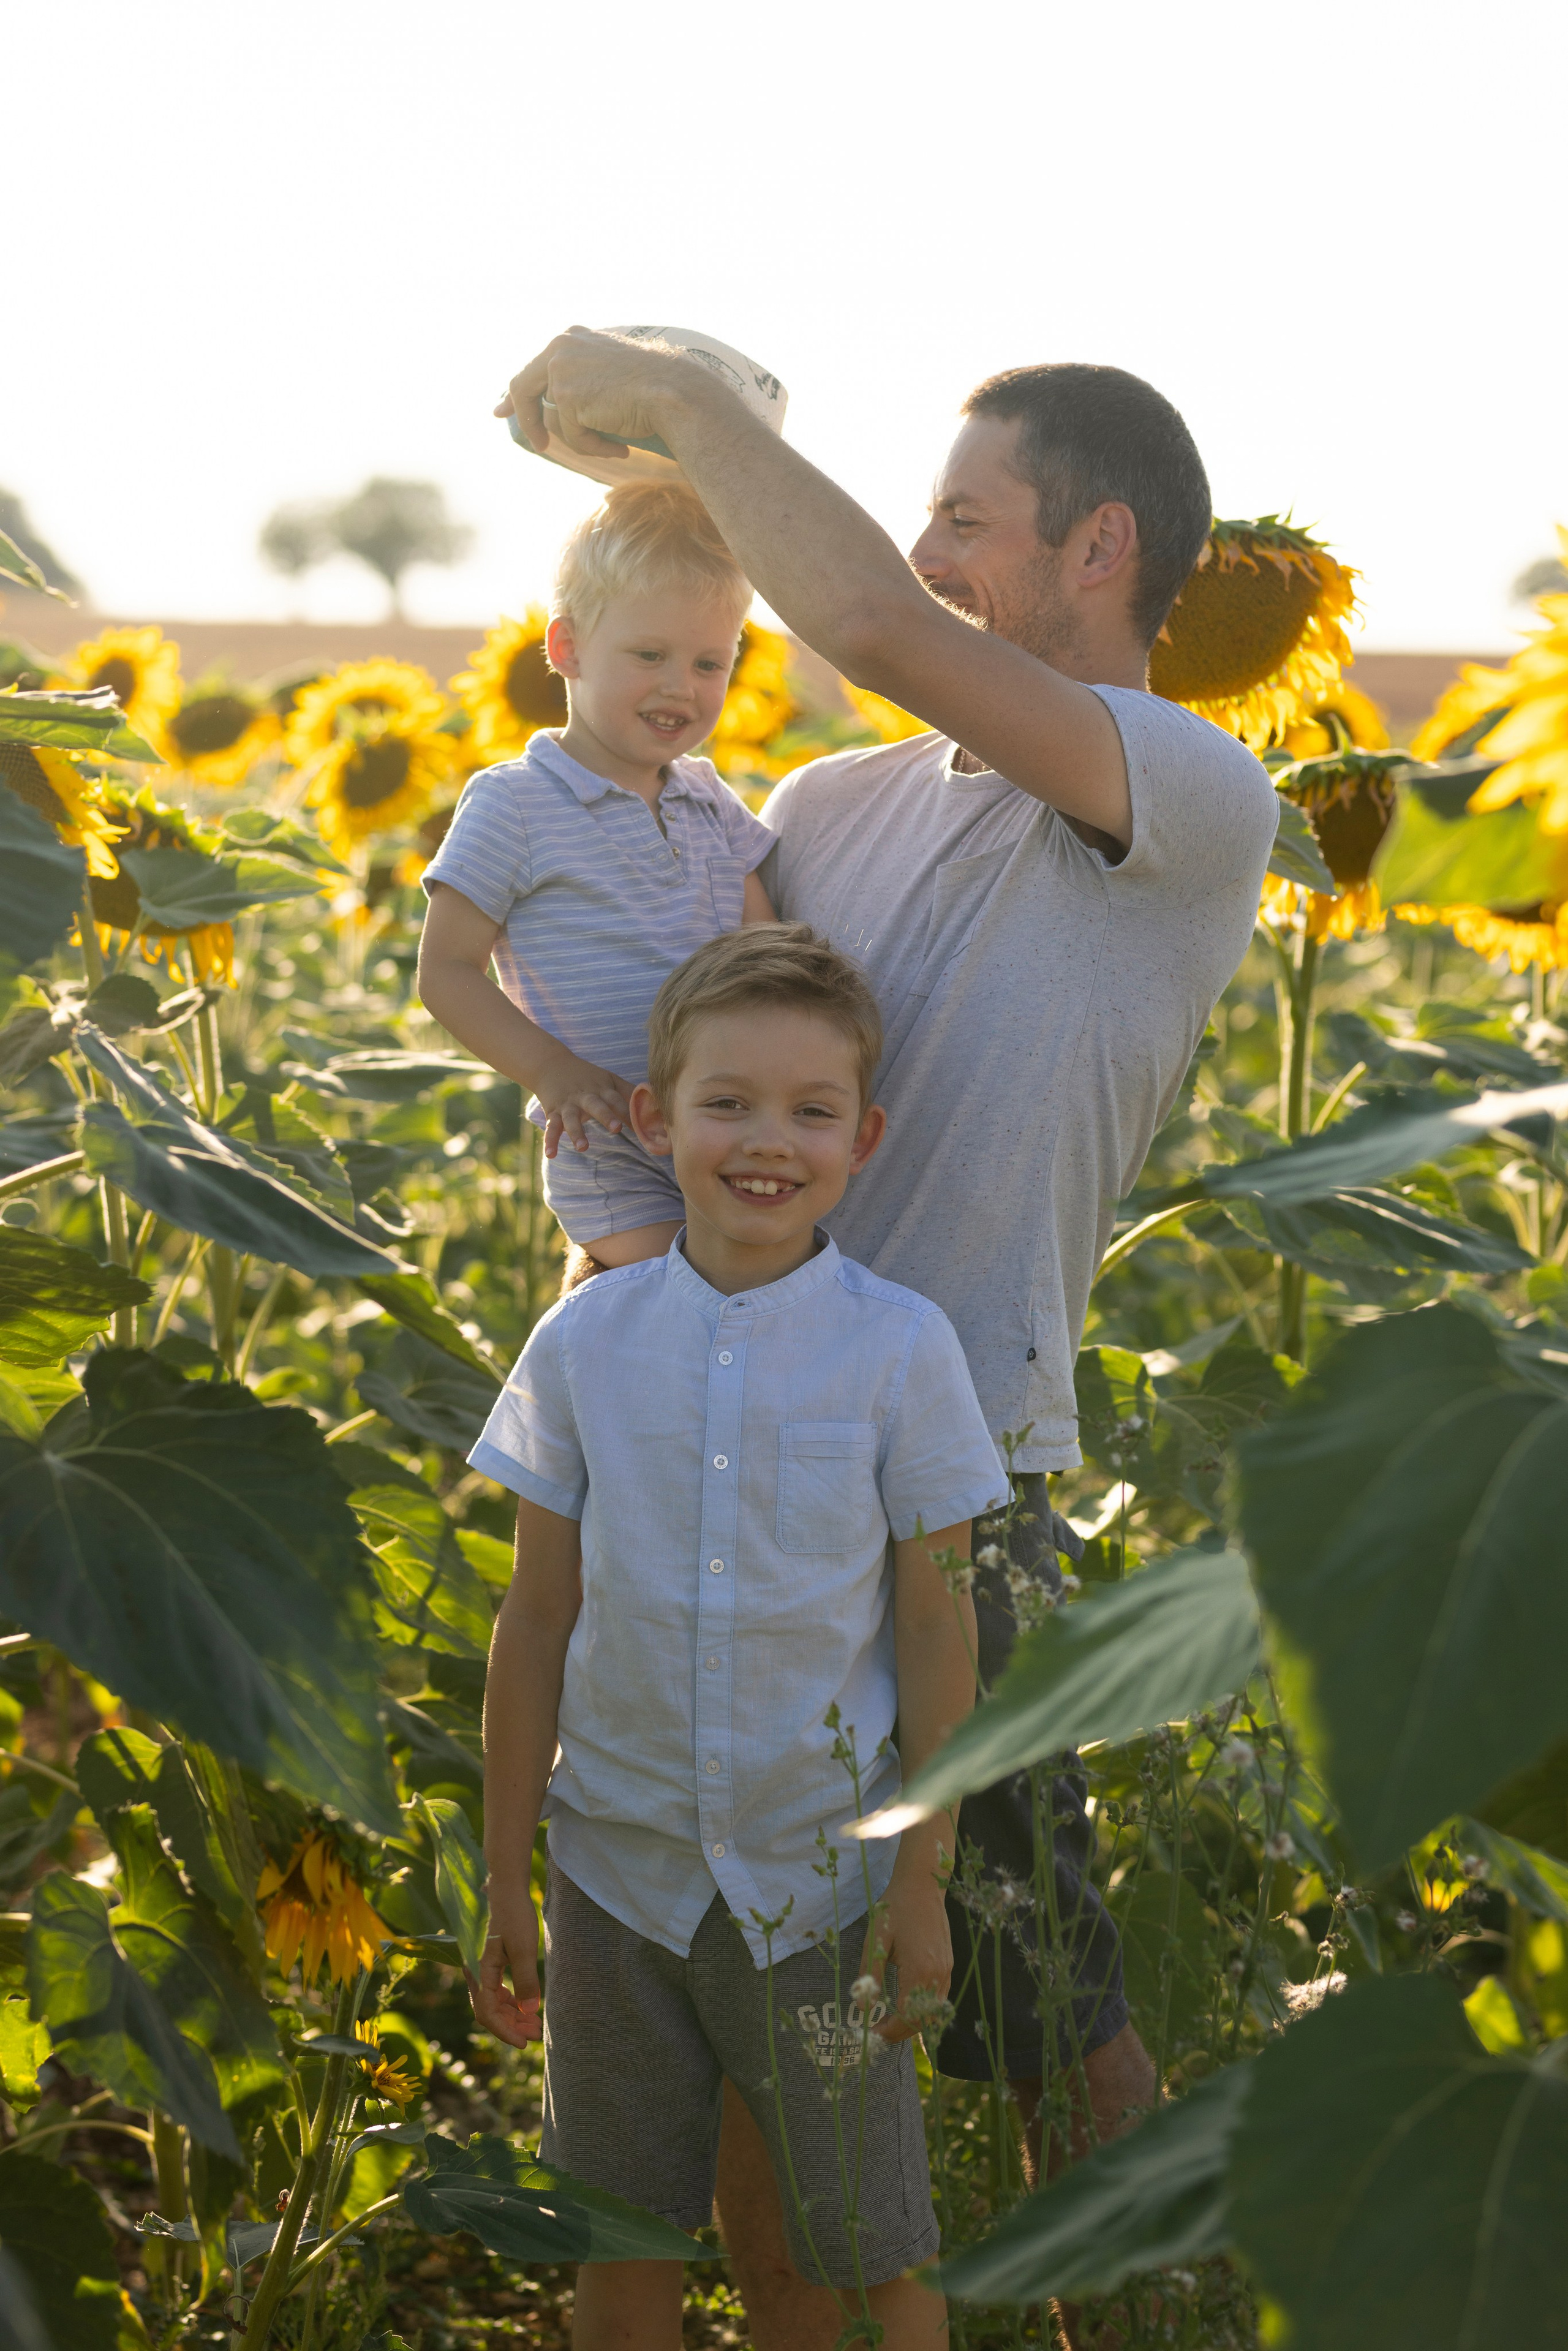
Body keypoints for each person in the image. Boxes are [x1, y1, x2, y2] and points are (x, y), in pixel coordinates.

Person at [497, 333, 1281, 2350]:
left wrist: (686, 403)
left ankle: (1145, 2314)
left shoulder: (1180, 788)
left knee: (1042, 1993)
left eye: (965, 515)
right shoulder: (828, 803)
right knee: (752, 1969)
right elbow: (668, 1018)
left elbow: (848, 609)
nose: (918, 553)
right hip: (726, 1453)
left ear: (1097, 544)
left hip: (954, 1472)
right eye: (922, 514)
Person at [469, 924, 1008, 2351]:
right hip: (613, 1867)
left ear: (863, 1136)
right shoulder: (583, 1343)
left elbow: (934, 1630)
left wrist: (917, 1880)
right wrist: (502, 1866)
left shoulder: (902, 1349)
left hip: (821, 1883)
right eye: (726, 1102)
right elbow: (533, 1624)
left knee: (875, 2243)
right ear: (654, 1118)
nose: (766, 1141)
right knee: (619, 2240)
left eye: (809, 1110)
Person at [418, 478, 777, 1287]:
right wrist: (550, 1070)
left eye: (709, 662)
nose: (681, 686)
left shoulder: (711, 800)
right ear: (568, 647)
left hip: (728, 1132)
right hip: (608, 1138)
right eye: (649, 655)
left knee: (749, 1312)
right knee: (674, 1303)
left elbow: (770, 955)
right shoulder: (516, 800)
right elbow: (443, 971)